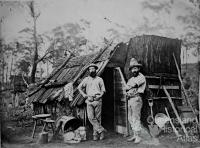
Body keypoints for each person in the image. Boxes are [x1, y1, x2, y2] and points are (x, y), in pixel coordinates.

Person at [78, 63, 106, 141]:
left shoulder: (100, 79)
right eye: (90, 69)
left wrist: (100, 96)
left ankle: (95, 135)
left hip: (98, 99)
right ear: (88, 71)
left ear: (96, 70)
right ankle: (101, 130)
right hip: (89, 100)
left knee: (97, 118)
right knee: (90, 117)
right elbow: (79, 87)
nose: (92, 70)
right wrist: (84, 95)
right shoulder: (86, 79)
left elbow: (103, 90)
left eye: (93, 69)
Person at [125, 58, 146, 143]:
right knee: (130, 118)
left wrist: (128, 89)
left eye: (135, 68)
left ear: (138, 69)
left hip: (136, 98)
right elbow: (126, 88)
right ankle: (134, 135)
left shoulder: (141, 77)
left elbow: (132, 86)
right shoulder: (131, 79)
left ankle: (138, 137)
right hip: (130, 99)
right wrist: (127, 92)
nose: (134, 70)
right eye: (132, 69)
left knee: (136, 118)